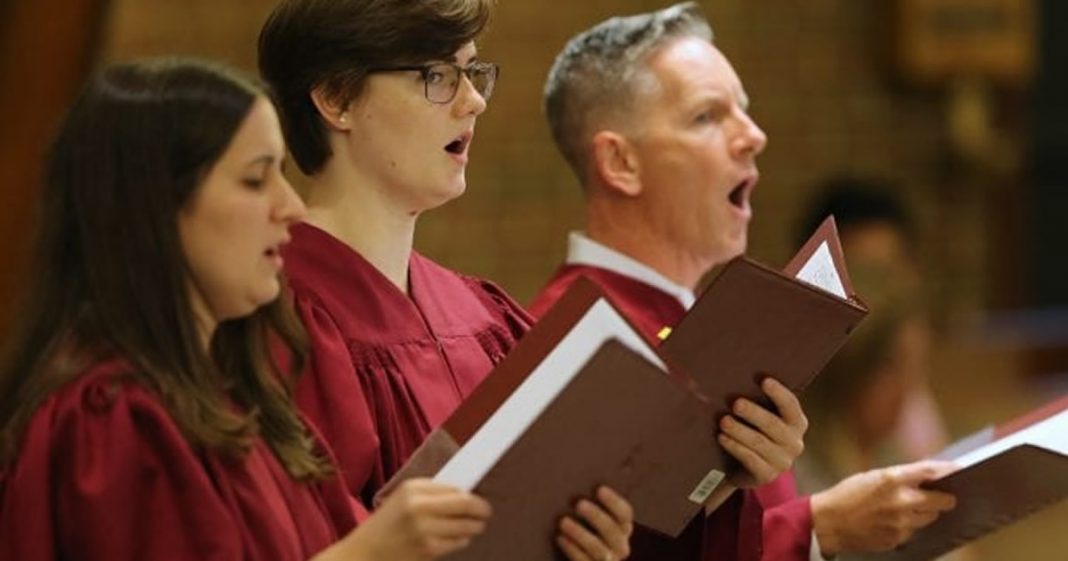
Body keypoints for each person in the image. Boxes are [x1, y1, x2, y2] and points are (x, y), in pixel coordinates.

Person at [0, 58, 494, 561]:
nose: (291, 207)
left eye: (281, 175)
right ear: (159, 208)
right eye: (256, 181)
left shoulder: (243, 406)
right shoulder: (111, 421)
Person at [529, 4, 958, 561]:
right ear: (620, 162)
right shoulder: (571, 336)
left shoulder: (720, 322)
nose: (753, 136)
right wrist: (821, 527)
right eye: (708, 116)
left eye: (745, 112)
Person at [258, 2, 648, 559]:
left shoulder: (484, 315)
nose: (474, 100)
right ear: (336, 99)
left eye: (473, 72)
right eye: (436, 77)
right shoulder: (275, 321)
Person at [796, 177, 950, 462]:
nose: (881, 293)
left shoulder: (910, 389)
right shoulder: (795, 428)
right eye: (861, 274)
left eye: (889, 271)